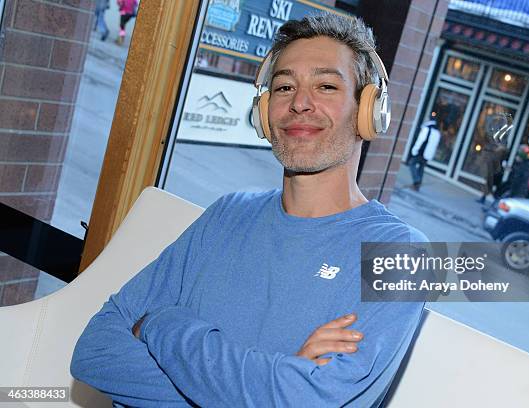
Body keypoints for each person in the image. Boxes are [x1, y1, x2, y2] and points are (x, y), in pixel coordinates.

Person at [71, 14, 427, 407]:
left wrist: (162, 323)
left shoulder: (405, 254)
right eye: (284, 86)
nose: (300, 103)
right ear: (264, 111)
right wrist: (268, 379)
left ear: (368, 111)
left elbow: (309, 399)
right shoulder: (228, 213)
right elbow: (94, 352)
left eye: (326, 85)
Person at [408, 117, 440, 191]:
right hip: (428, 155)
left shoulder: (426, 129)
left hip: (421, 152)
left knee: (411, 163)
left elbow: (420, 141)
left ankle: (417, 181)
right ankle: (417, 186)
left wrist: (414, 150)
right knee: (421, 168)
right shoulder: (437, 133)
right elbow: (435, 145)